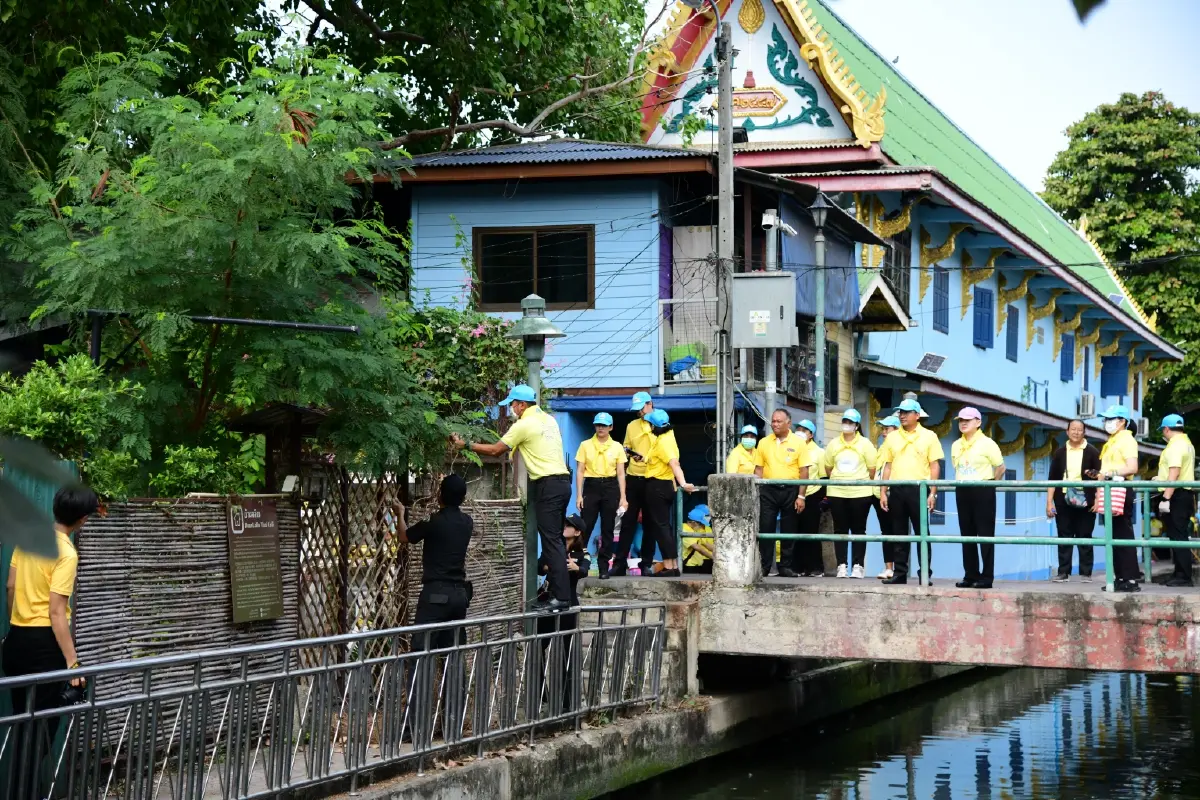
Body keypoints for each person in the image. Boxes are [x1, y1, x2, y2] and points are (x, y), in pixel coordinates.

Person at [3, 484, 97, 797]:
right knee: (40, 732)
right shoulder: (66, 553)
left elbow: (11, 587)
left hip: (16, 640)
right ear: (82, 520)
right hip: (45, 647)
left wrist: (15, 627)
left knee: (22, 726)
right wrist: (73, 664)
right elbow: (58, 613)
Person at [452, 384, 572, 612]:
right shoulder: (549, 420)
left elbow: (497, 450)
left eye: (513, 406)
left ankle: (561, 598)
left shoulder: (524, 424)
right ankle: (558, 595)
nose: (512, 410)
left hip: (548, 484)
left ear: (522, 405)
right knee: (554, 539)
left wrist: (464, 444)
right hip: (562, 483)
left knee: (552, 542)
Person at [393, 475, 473, 646]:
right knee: (454, 654)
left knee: (422, 652)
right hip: (459, 596)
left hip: (436, 595)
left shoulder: (432, 522)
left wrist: (400, 514)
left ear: (440, 495)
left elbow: (403, 536)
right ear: (463, 498)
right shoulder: (467, 522)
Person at [878, 398, 944, 586]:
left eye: (907, 412)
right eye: (901, 412)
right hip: (897, 488)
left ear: (917, 415)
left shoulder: (929, 436)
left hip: (919, 488)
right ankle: (900, 573)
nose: (902, 415)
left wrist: (933, 492)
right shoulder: (892, 437)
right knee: (899, 532)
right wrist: (883, 491)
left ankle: (925, 573)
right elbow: (887, 466)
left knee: (922, 532)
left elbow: (934, 466)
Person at [536, 515, 590, 713]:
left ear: (577, 532)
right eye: (564, 524)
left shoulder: (581, 552)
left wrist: (576, 568)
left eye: (569, 526)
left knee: (567, 654)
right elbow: (540, 566)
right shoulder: (552, 546)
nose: (564, 527)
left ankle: (567, 702)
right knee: (537, 648)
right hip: (547, 603)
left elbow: (585, 568)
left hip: (568, 607)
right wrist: (551, 566)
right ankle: (541, 694)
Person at [950, 407, 1006, 589]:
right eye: (961, 420)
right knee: (966, 534)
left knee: (985, 535)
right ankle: (970, 574)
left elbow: (1000, 467)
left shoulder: (987, 443)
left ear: (978, 422)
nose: (963, 423)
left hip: (983, 489)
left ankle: (986, 577)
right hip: (963, 489)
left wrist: (990, 485)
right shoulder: (956, 444)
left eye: (968, 420)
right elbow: (956, 467)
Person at [754, 408, 811, 578]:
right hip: (768, 490)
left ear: (788, 423)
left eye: (779, 421)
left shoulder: (799, 443)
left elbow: (804, 472)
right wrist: (757, 492)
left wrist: (801, 496)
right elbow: (758, 469)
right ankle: (764, 566)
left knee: (789, 528)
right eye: (773, 421)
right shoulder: (764, 442)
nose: (775, 424)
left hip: (790, 489)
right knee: (766, 528)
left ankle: (785, 566)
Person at [823, 409, 878, 579]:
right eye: (845, 421)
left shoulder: (865, 444)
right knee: (840, 529)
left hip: (860, 492)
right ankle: (841, 565)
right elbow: (828, 467)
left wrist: (859, 481)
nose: (846, 425)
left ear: (856, 426)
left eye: (850, 422)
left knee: (858, 529)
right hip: (837, 491)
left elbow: (872, 468)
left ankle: (858, 565)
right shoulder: (834, 444)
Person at [641, 408, 697, 577]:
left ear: (654, 426)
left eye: (650, 424)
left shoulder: (664, 442)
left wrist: (684, 483)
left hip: (658, 485)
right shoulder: (665, 437)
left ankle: (669, 566)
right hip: (662, 485)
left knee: (661, 527)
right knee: (664, 526)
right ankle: (671, 565)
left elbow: (674, 464)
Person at [1093, 405, 1141, 593]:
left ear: (1122, 421)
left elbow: (1132, 467)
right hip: (1110, 490)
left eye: (1110, 419)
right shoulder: (1112, 441)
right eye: (1105, 419)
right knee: (1112, 536)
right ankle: (1119, 577)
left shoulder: (1127, 440)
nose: (1107, 422)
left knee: (1123, 534)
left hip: (1121, 489)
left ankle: (1130, 579)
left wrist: (1110, 472)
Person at [575, 412, 628, 580]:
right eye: (598, 425)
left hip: (611, 486)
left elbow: (621, 473)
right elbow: (580, 471)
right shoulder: (585, 445)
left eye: (604, 425)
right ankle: (579, 564)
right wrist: (578, 495)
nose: (600, 428)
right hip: (591, 486)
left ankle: (603, 567)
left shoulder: (617, 447)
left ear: (611, 427)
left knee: (608, 528)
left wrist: (623, 497)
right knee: (585, 526)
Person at [1046, 419, 1100, 582]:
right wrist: (1049, 502)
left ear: (1084, 432)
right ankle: (1064, 572)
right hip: (1063, 499)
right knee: (1064, 535)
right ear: (1067, 432)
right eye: (1073, 429)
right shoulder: (1060, 452)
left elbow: (1099, 477)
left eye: (1079, 429)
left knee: (1085, 535)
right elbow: (1052, 479)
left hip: (1087, 499)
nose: (1076, 432)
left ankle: (1086, 573)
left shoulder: (1092, 452)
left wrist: (1098, 499)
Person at [611, 391, 656, 577]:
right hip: (633, 477)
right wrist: (630, 452)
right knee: (627, 522)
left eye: (642, 409)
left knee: (650, 523)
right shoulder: (632, 426)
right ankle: (620, 563)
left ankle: (646, 563)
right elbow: (625, 448)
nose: (640, 413)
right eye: (637, 410)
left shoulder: (660, 423)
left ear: (650, 404)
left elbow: (666, 454)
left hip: (652, 478)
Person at [1156, 413, 1195, 587]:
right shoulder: (1187, 444)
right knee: (1177, 535)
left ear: (1166, 429)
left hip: (1176, 494)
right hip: (1182, 494)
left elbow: (1175, 472)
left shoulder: (1175, 446)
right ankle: (1179, 573)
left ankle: (1184, 576)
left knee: (1178, 536)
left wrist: (1166, 497)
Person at [792, 419, 826, 577]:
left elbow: (824, 477)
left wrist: (819, 499)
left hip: (812, 495)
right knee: (794, 531)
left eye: (804, 430)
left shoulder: (819, 452)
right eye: (798, 428)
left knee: (811, 532)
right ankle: (796, 568)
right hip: (793, 494)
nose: (800, 432)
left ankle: (815, 568)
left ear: (811, 434)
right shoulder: (791, 449)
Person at [874, 415, 900, 579]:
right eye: (883, 429)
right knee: (886, 532)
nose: (884, 432)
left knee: (898, 531)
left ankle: (900, 568)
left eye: (887, 429)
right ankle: (888, 567)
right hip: (881, 494)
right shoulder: (882, 447)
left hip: (896, 493)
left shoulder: (899, 447)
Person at [681, 505, 714, 575]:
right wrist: (713, 558)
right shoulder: (684, 529)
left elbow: (706, 544)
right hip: (689, 564)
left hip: (700, 563)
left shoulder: (695, 530)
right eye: (701, 524)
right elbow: (697, 548)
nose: (702, 527)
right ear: (694, 522)